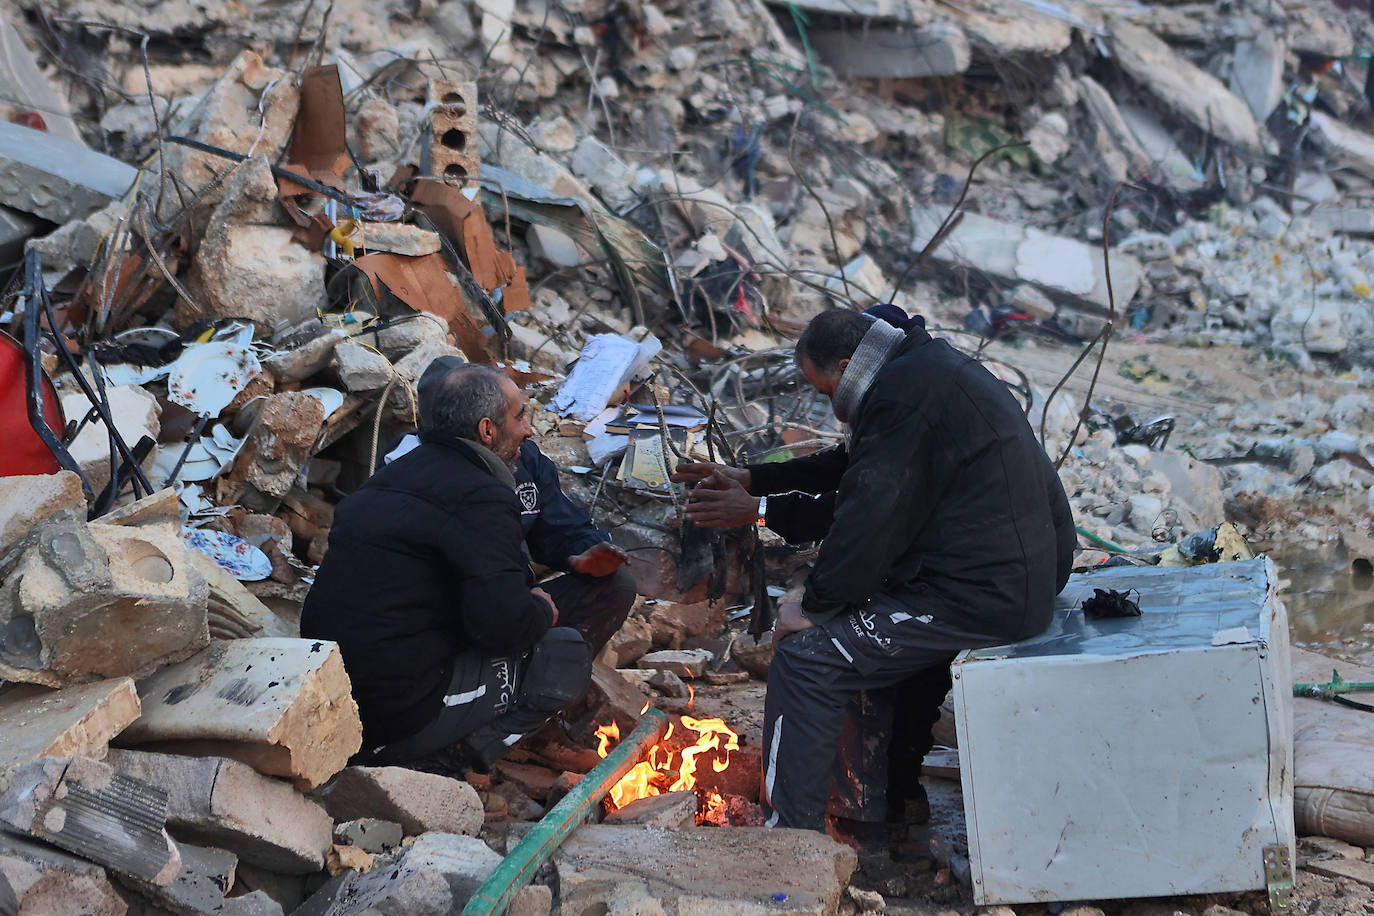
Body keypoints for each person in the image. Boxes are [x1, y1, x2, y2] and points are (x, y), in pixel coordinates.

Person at [672, 307, 1075, 848]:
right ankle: (879, 814)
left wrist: (812, 604)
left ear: (846, 366)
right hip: (1012, 575)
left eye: (824, 391)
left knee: (808, 658)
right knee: (864, 640)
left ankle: (791, 841)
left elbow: (867, 513)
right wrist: (753, 480)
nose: (828, 405)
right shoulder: (917, 369)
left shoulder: (904, 397)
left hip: (987, 593)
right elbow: (853, 466)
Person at [300, 363, 617, 768]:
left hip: (335, 691)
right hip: (396, 712)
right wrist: (540, 609)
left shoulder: (394, 475)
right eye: (519, 417)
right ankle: (453, 758)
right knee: (564, 652)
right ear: (487, 430)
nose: (528, 430)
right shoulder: (481, 496)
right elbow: (503, 628)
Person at [385, 356, 636, 653]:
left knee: (615, 585)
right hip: (446, 613)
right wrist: (526, 607)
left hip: (506, 596)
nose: (528, 431)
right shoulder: (405, 470)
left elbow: (559, 523)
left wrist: (583, 553)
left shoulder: (520, 456)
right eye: (518, 418)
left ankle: (547, 673)